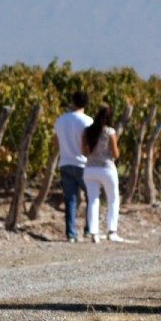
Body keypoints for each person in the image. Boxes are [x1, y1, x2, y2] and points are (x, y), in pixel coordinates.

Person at [52, 90, 92, 242]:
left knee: (70, 200)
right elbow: (89, 145)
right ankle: (89, 229)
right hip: (83, 164)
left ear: (72, 102)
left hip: (65, 162)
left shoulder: (61, 120)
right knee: (91, 197)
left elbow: (56, 142)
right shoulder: (88, 121)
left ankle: (71, 234)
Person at [81, 104, 124, 242]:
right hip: (106, 168)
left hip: (89, 169)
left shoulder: (87, 131)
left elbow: (84, 152)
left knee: (93, 200)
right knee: (113, 200)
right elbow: (115, 154)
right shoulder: (109, 132)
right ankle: (112, 231)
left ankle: (93, 232)